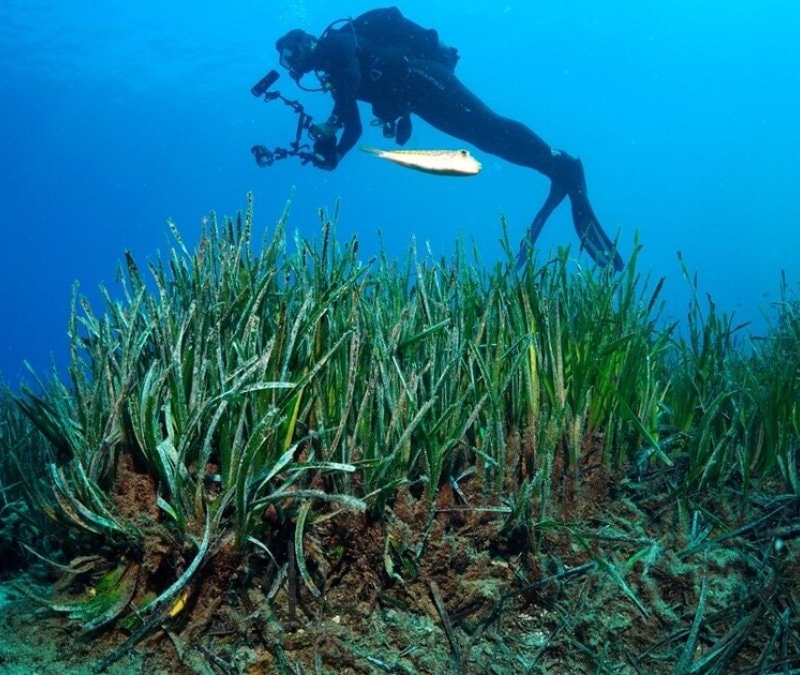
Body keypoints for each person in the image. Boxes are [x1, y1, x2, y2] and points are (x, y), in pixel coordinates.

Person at [274, 7, 623, 271]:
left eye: (290, 55)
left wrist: (333, 129)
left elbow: (350, 96)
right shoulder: (334, 73)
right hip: (418, 97)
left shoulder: (338, 44)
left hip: (424, 78)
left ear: (306, 42)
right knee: (487, 140)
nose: (291, 65)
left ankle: (562, 165)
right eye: (285, 62)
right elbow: (355, 122)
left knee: (489, 126)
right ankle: (552, 167)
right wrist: (336, 151)